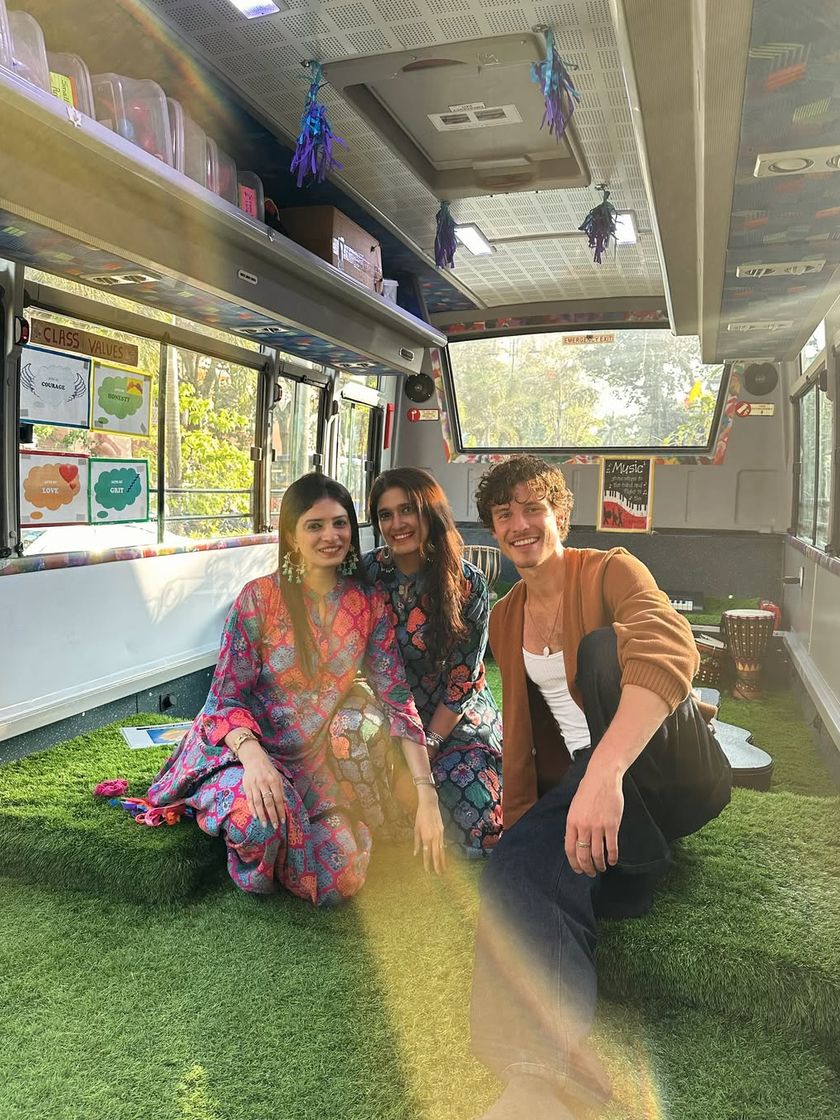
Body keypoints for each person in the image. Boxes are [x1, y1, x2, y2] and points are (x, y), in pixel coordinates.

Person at [469, 456, 731, 1119]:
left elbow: (671, 647)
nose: (521, 524)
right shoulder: (505, 617)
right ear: (494, 530)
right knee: (512, 867)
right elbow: (523, 738)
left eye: (534, 508)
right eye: (504, 514)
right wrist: (524, 827)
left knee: (603, 651)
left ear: (561, 514)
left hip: (667, 771)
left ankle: (629, 854)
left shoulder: (612, 569)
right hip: (587, 779)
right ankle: (536, 1075)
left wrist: (604, 772)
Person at [147, 473, 446, 907]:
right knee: (260, 826)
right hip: (239, 752)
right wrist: (254, 761)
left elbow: (397, 699)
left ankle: (295, 828)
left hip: (309, 765)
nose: (331, 535)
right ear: (291, 534)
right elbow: (224, 700)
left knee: (342, 877)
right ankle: (227, 803)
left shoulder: (367, 604)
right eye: (315, 525)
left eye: (340, 523)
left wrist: (425, 792)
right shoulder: (258, 598)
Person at [363, 467, 503, 858]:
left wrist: (428, 747)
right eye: (385, 515)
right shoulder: (366, 573)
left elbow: (463, 681)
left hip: (453, 714)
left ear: (431, 512)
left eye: (407, 509)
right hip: (390, 708)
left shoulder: (468, 583)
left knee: (476, 814)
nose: (397, 523)